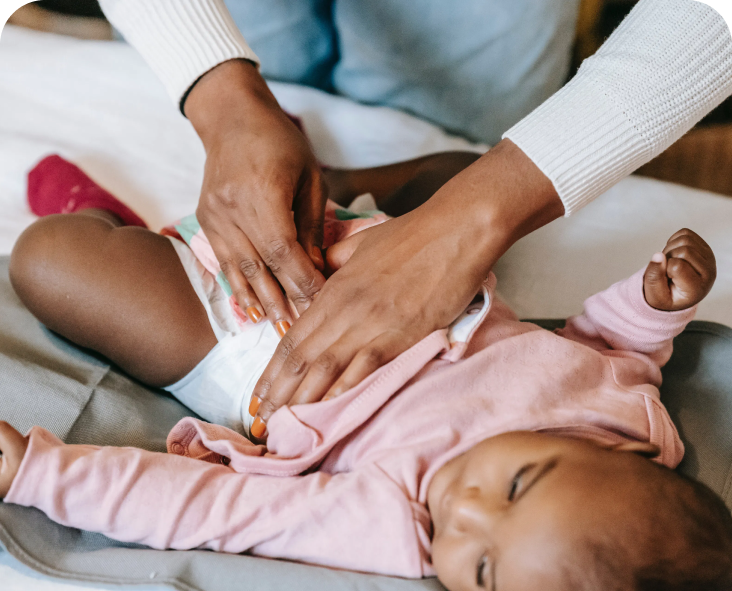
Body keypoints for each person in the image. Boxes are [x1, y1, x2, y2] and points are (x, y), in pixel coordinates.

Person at [1, 153, 730, 588]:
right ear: (630, 452)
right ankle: (336, 186)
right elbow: (608, 349)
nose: (464, 509)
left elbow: (212, 509)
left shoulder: (391, 520)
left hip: (258, 339)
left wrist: (42, 474)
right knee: (458, 172)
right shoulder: (620, 410)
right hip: (412, 263)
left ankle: (108, 221)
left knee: (53, 259)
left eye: (479, 571)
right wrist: (653, 305)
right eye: (519, 483)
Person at [98, 0, 732, 437]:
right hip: (374, 239)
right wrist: (222, 94)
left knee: (61, 260)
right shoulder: (607, 432)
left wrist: (474, 218)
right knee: (444, 153)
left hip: (241, 342)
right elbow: (610, 357)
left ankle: (310, 178)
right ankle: (318, 175)